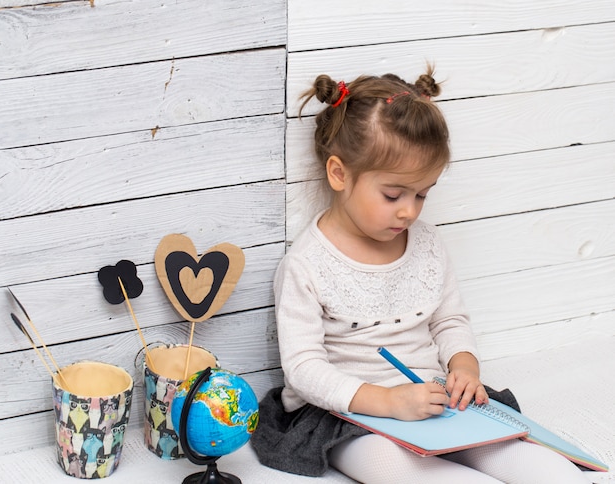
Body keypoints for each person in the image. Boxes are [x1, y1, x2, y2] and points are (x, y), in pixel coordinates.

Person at [251, 67, 589, 483]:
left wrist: (464, 367)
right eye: (393, 195)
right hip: (350, 412)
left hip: (433, 399)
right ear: (339, 174)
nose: (409, 210)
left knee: (533, 461)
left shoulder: (426, 246)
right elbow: (303, 369)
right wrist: (387, 402)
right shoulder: (307, 264)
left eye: (422, 194)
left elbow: (449, 321)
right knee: (407, 470)